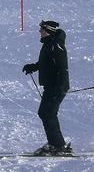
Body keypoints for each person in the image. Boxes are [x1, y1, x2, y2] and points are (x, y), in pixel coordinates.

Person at [22, 19, 71, 156]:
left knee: (47, 113)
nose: (39, 32)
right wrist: (33, 67)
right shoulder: (49, 44)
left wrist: (61, 85)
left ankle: (58, 146)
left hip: (56, 86)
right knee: (46, 113)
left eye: (41, 30)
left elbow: (62, 67)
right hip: (51, 86)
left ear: (48, 31)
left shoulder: (56, 45)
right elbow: (46, 62)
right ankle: (57, 144)